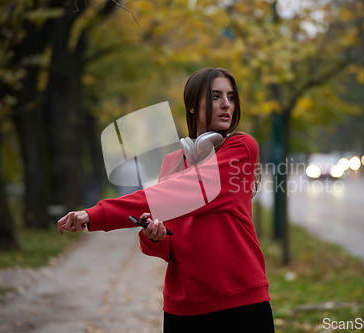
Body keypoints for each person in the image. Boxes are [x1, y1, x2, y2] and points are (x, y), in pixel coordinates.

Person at [57, 68, 275, 333]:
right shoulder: (172, 163)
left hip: (240, 302)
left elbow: (174, 196)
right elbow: (167, 247)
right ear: (193, 106)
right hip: (184, 308)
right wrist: (155, 237)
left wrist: (97, 214)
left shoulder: (241, 148)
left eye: (231, 96)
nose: (226, 103)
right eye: (216, 96)